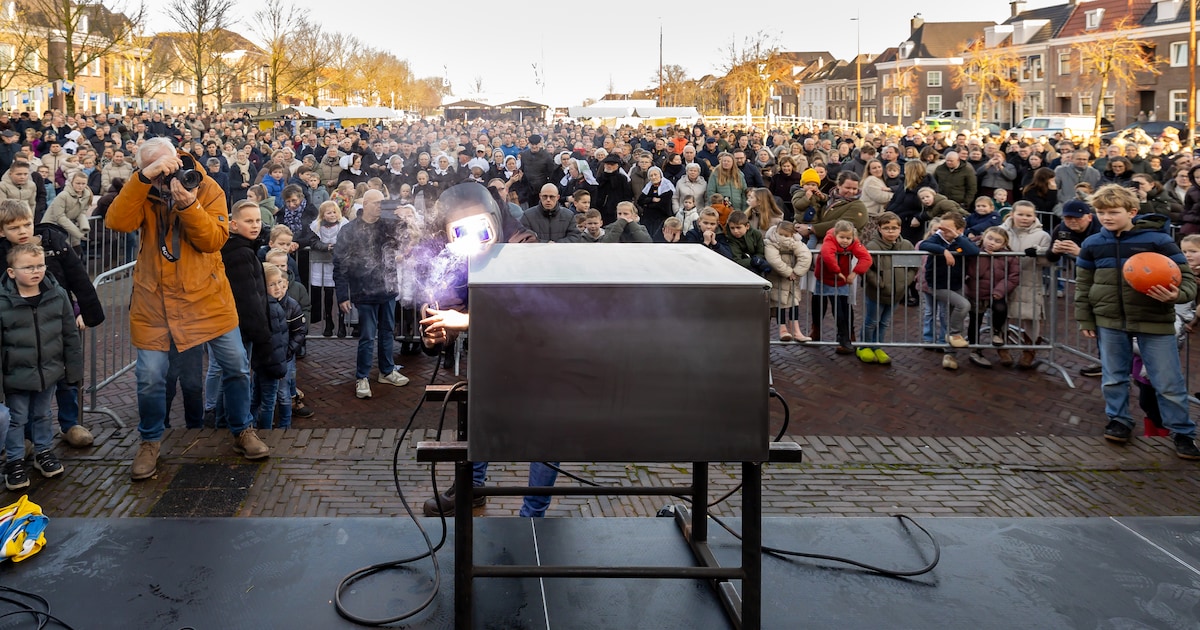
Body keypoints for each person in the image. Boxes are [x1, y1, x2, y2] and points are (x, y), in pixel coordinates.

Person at [106, 137, 269, 479]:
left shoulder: (206, 186)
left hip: (207, 297)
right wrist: (143, 180)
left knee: (236, 366)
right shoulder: (143, 189)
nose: (166, 177)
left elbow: (213, 241)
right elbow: (117, 222)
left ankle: (242, 429)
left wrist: (189, 205)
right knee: (150, 377)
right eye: (155, 170)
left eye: (167, 166)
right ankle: (150, 441)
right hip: (154, 302)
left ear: (177, 158)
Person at [417, 183, 557, 518]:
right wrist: (435, 336)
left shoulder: (523, 245)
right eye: (460, 232)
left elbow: (530, 310)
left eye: (478, 229)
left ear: (492, 218)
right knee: (481, 418)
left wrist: (466, 321)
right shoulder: (457, 253)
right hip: (492, 358)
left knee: (545, 432)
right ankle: (471, 489)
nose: (473, 240)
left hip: (540, 357)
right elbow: (450, 305)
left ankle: (533, 514)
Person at [1075, 184, 1200, 460]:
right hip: (1109, 321)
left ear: (1132, 211)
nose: (1106, 217)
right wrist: (1085, 318)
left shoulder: (1158, 241)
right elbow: (1083, 286)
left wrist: (1177, 295)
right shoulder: (1092, 244)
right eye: (1101, 212)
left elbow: (1187, 279)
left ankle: (1182, 432)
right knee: (1113, 377)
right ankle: (1118, 420)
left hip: (1154, 321)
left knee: (1168, 381)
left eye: (1113, 212)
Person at [0, 199, 103, 447]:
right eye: (14, 228)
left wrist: (84, 311)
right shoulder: (2, 253)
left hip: (57, 321)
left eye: (26, 224)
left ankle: (70, 424)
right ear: (2, 231)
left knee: (66, 377)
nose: (22, 231)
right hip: (19, 331)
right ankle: (25, 436)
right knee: (24, 384)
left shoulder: (53, 242)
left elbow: (77, 276)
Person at [1, 243, 81, 489]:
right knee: (16, 418)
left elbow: (70, 334)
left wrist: (73, 370)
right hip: (15, 374)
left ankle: (43, 452)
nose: (35, 271)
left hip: (49, 371)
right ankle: (14, 461)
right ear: (12, 272)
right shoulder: (3, 301)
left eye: (40, 266)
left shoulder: (57, 294)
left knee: (43, 414)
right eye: (28, 267)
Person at [333, 189, 411, 400]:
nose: (380, 207)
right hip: (364, 291)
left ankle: (387, 371)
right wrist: (343, 295)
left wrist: (402, 218)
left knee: (387, 332)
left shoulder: (387, 226)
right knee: (367, 336)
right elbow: (339, 263)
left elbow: (405, 239)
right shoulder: (349, 230)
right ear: (365, 204)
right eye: (376, 203)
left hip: (387, 288)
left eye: (382, 203)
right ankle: (362, 377)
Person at [919, 213, 980, 370]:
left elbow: (974, 251)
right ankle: (954, 335)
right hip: (938, 285)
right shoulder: (937, 238)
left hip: (956, 283)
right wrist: (944, 251)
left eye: (948, 229)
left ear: (960, 230)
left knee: (952, 316)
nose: (943, 231)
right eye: (941, 228)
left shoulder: (961, 240)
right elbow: (924, 245)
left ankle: (950, 354)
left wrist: (957, 237)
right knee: (964, 305)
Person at [1001, 201, 1052, 369]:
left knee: (1032, 316)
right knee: (1002, 314)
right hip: (1003, 280)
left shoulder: (1043, 236)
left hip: (1030, 280)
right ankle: (1002, 348)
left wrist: (1038, 252)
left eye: (1029, 215)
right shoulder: (1001, 230)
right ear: (1012, 214)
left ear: (1034, 216)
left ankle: (1029, 351)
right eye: (1020, 214)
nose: (1024, 218)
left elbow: (1048, 260)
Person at [860, 212, 916, 364]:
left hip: (897, 293)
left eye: (894, 228)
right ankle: (864, 346)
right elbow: (866, 268)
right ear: (879, 229)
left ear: (900, 229)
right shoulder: (872, 246)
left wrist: (905, 281)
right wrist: (879, 282)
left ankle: (877, 346)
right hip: (877, 292)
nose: (891, 231)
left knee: (884, 322)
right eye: (886, 228)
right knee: (872, 321)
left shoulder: (906, 246)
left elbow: (913, 266)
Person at [812, 220, 871, 354]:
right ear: (836, 235)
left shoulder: (854, 241)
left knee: (843, 307)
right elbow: (827, 254)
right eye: (842, 237)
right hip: (825, 278)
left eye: (848, 238)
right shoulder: (829, 239)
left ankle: (846, 336)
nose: (845, 241)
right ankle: (817, 330)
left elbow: (866, 258)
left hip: (842, 279)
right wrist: (837, 272)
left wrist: (855, 273)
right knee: (820, 305)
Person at [965, 226, 1021, 368]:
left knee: (1001, 309)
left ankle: (997, 332)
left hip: (996, 292)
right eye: (989, 238)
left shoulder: (1009, 256)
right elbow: (975, 272)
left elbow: (1013, 277)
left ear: (1004, 244)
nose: (992, 243)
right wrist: (984, 254)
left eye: (997, 241)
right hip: (976, 292)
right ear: (984, 236)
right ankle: (975, 350)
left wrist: (999, 291)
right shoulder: (973, 250)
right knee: (975, 321)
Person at [764, 220, 813, 343]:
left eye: (786, 235)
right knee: (780, 303)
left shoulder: (796, 242)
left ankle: (796, 330)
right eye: (781, 234)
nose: (783, 238)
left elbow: (805, 255)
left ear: (792, 235)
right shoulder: (771, 242)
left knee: (794, 304)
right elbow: (773, 259)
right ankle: (782, 329)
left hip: (792, 280)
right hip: (778, 278)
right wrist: (788, 272)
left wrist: (796, 272)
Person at [309, 200, 348, 337]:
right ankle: (329, 322)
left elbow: (347, 240)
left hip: (338, 264)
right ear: (322, 214)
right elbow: (313, 241)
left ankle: (342, 324)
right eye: (329, 213)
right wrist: (325, 246)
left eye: (334, 212)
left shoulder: (344, 224)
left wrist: (339, 246)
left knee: (341, 294)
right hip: (323, 263)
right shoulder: (316, 226)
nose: (332, 215)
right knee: (327, 294)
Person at [724, 210, 768, 274]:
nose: (735, 231)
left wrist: (757, 260)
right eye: (732, 228)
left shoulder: (756, 234)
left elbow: (760, 252)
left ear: (747, 226)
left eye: (738, 227)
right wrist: (751, 261)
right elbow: (736, 260)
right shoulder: (730, 239)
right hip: (740, 269)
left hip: (758, 263)